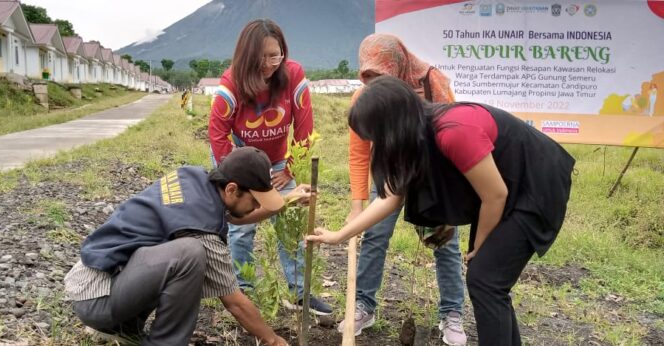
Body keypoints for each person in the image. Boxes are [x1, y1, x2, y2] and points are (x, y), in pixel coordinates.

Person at [308, 76, 575, 346]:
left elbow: (495, 195)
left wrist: (480, 248)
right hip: (505, 188)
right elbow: (390, 198)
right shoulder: (415, 137)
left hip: (536, 184)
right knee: (488, 282)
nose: (376, 145)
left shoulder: (453, 131)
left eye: (375, 136)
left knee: (486, 281)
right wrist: (339, 236)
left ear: (392, 127)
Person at [64, 147, 306, 346]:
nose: (256, 207)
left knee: (181, 254)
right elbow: (234, 302)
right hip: (97, 298)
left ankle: (126, 328)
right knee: (189, 254)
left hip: (102, 279)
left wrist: (287, 200)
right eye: (255, 200)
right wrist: (272, 340)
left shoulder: (196, 180)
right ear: (232, 189)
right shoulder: (202, 230)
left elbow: (235, 215)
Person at [345, 33, 467, 344]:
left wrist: (449, 203)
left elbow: (455, 135)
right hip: (388, 172)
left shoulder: (430, 82)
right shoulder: (363, 99)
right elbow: (359, 153)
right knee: (374, 234)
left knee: (444, 240)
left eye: (379, 76)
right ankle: (364, 306)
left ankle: (452, 313)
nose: (373, 84)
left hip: (433, 173)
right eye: (367, 76)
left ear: (398, 65)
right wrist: (358, 205)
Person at [208, 18, 332, 315]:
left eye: (275, 56)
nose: (268, 64)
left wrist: (288, 168)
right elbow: (217, 134)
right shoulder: (230, 84)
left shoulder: (293, 75)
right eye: (260, 58)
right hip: (239, 162)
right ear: (246, 57)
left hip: (278, 163)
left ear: (283, 53)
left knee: (288, 221)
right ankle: (244, 292)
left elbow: (304, 128)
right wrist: (239, 177)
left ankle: (299, 293)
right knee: (241, 227)